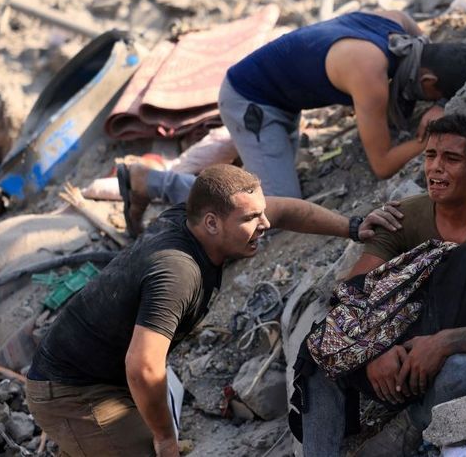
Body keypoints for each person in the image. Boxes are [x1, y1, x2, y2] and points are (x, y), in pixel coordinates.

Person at [26, 164, 400, 457]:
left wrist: (353, 227)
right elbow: (143, 368)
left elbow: (283, 211)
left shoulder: (193, 218)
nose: (265, 225)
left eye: (260, 213)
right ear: (211, 222)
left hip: (96, 374)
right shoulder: (178, 273)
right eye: (251, 219)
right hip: (74, 391)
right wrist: (165, 438)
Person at [300, 114, 466, 457]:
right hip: (400, 351)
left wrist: (444, 343)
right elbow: (352, 295)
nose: (436, 169)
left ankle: (405, 432)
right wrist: (375, 347)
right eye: (430, 156)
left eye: (451, 159)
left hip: (459, 355)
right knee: (320, 350)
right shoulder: (403, 216)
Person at [119, 9, 466, 235]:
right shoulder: (368, 75)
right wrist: (426, 138)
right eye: (433, 96)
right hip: (251, 100)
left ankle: (249, 156)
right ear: (428, 82)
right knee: (271, 209)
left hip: (281, 93)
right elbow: (382, 165)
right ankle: (148, 181)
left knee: (267, 178)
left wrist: (442, 104)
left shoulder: (399, 23)